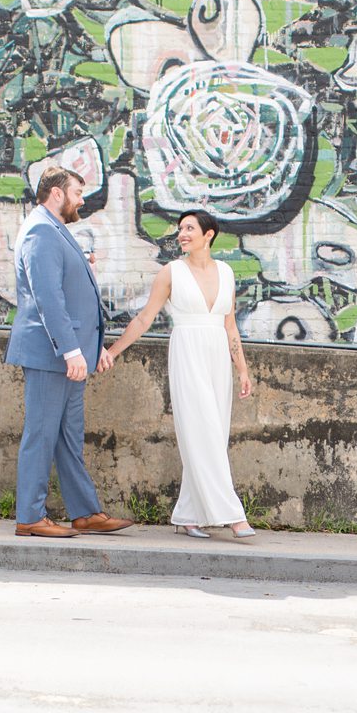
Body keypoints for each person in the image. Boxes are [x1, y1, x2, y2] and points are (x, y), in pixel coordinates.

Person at [102, 209, 256, 540]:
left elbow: (230, 326)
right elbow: (144, 318)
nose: (182, 234)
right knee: (202, 431)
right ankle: (233, 515)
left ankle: (188, 515)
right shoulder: (171, 272)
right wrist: (112, 351)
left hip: (218, 356)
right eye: (180, 228)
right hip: (187, 353)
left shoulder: (226, 272)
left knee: (213, 435)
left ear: (208, 235)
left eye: (189, 228)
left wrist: (242, 369)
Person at [3, 163, 133, 539]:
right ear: (56, 193)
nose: (82, 200)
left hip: (70, 355)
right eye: (77, 193)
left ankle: (85, 512)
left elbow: (71, 291)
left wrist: (92, 347)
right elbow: (48, 297)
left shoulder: (56, 230)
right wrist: (71, 351)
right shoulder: (41, 231)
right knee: (41, 434)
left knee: (68, 436)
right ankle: (30, 516)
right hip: (52, 356)